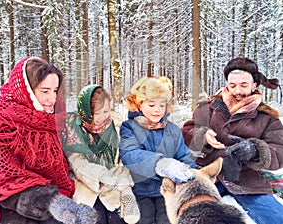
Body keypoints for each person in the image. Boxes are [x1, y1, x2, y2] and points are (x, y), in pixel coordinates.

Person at [0, 56, 97, 224]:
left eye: (55, 91)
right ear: (25, 90)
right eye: (45, 91)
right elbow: (0, 178)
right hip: (4, 203)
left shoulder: (52, 121)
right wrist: (51, 202)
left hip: (48, 195)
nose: (52, 99)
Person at [182, 57, 283, 224]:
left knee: (278, 219)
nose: (238, 90)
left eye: (244, 85)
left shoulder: (267, 118)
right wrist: (202, 135)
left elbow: (280, 150)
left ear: (254, 85)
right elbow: (185, 135)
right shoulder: (207, 109)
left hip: (247, 180)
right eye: (232, 85)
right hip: (208, 175)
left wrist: (255, 150)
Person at [119, 76, 195, 224]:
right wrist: (160, 164)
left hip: (167, 190)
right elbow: (129, 154)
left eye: (162, 105)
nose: (157, 110)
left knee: (167, 219)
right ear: (139, 104)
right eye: (151, 105)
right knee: (143, 218)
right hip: (139, 189)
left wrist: (188, 172)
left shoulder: (172, 130)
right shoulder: (129, 127)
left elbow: (184, 156)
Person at [62, 84, 140, 224]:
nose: (103, 117)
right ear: (86, 111)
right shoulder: (74, 128)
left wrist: (121, 181)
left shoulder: (114, 125)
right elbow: (77, 162)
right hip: (86, 181)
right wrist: (101, 174)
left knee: (117, 217)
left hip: (114, 178)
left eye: (106, 111)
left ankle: (127, 195)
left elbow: (121, 156)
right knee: (95, 217)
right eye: (97, 113)